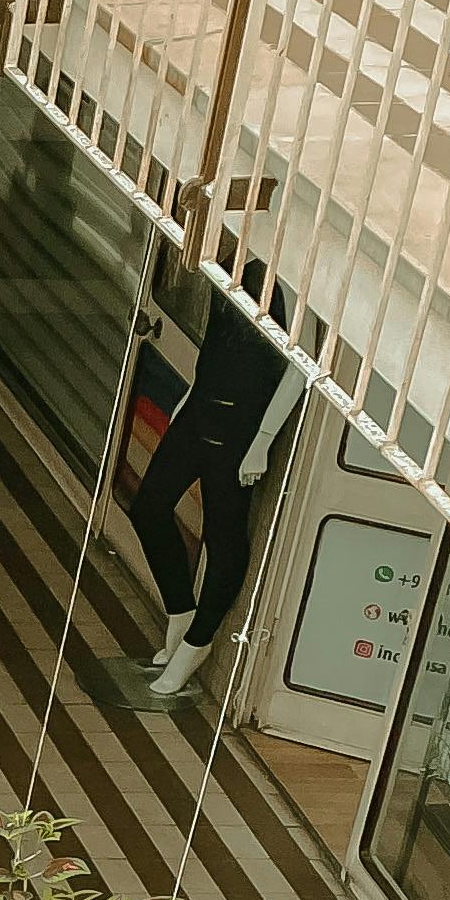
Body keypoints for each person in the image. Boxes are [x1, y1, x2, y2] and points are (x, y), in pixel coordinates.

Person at [125, 259, 308, 703]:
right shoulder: (234, 262)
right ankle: (180, 613)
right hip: (200, 406)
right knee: (148, 506)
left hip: (241, 425)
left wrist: (263, 438)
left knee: (224, 535)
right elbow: (217, 341)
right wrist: (188, 398)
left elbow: (300, 367)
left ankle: (197, 641)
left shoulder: (296, 287)